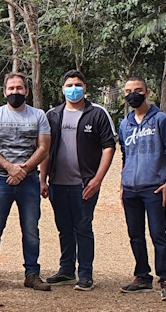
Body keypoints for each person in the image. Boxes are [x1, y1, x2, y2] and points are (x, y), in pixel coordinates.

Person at [0, 72, 52, 291]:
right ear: (4, 91)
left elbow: (44, 147)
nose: (15, 92)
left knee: (31, 228)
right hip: (0, 178)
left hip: (30, 179)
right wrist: (10, 167)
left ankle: (32, 273)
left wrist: (23, 170)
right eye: (11, 89)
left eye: (19, 88)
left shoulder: (38, 115)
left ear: (26, 90)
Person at [39, 70, 116, 291]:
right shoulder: (52, 115)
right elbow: (45, 150)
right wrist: (43, 179)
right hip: (57, 184)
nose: (74, 89)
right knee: (64, 227)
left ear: (86, 88)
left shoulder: (97, 114)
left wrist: (98, 179)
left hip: (84, 185)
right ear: (63, 89)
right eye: (70, 85)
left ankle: (85, 274)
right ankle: (66, 271)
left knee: (83, 227)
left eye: (78, 85)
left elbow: (109, 147)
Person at [117, 76, 166, 302]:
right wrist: (122, 184)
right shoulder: (125, 124)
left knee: (157, 234)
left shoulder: (161, 120)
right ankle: (142, 276)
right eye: (127, 91)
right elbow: (125, 155)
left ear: (148, 92)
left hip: (154, 188)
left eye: (137, 90)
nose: (132, 94)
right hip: (130, 189)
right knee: (135, 234)